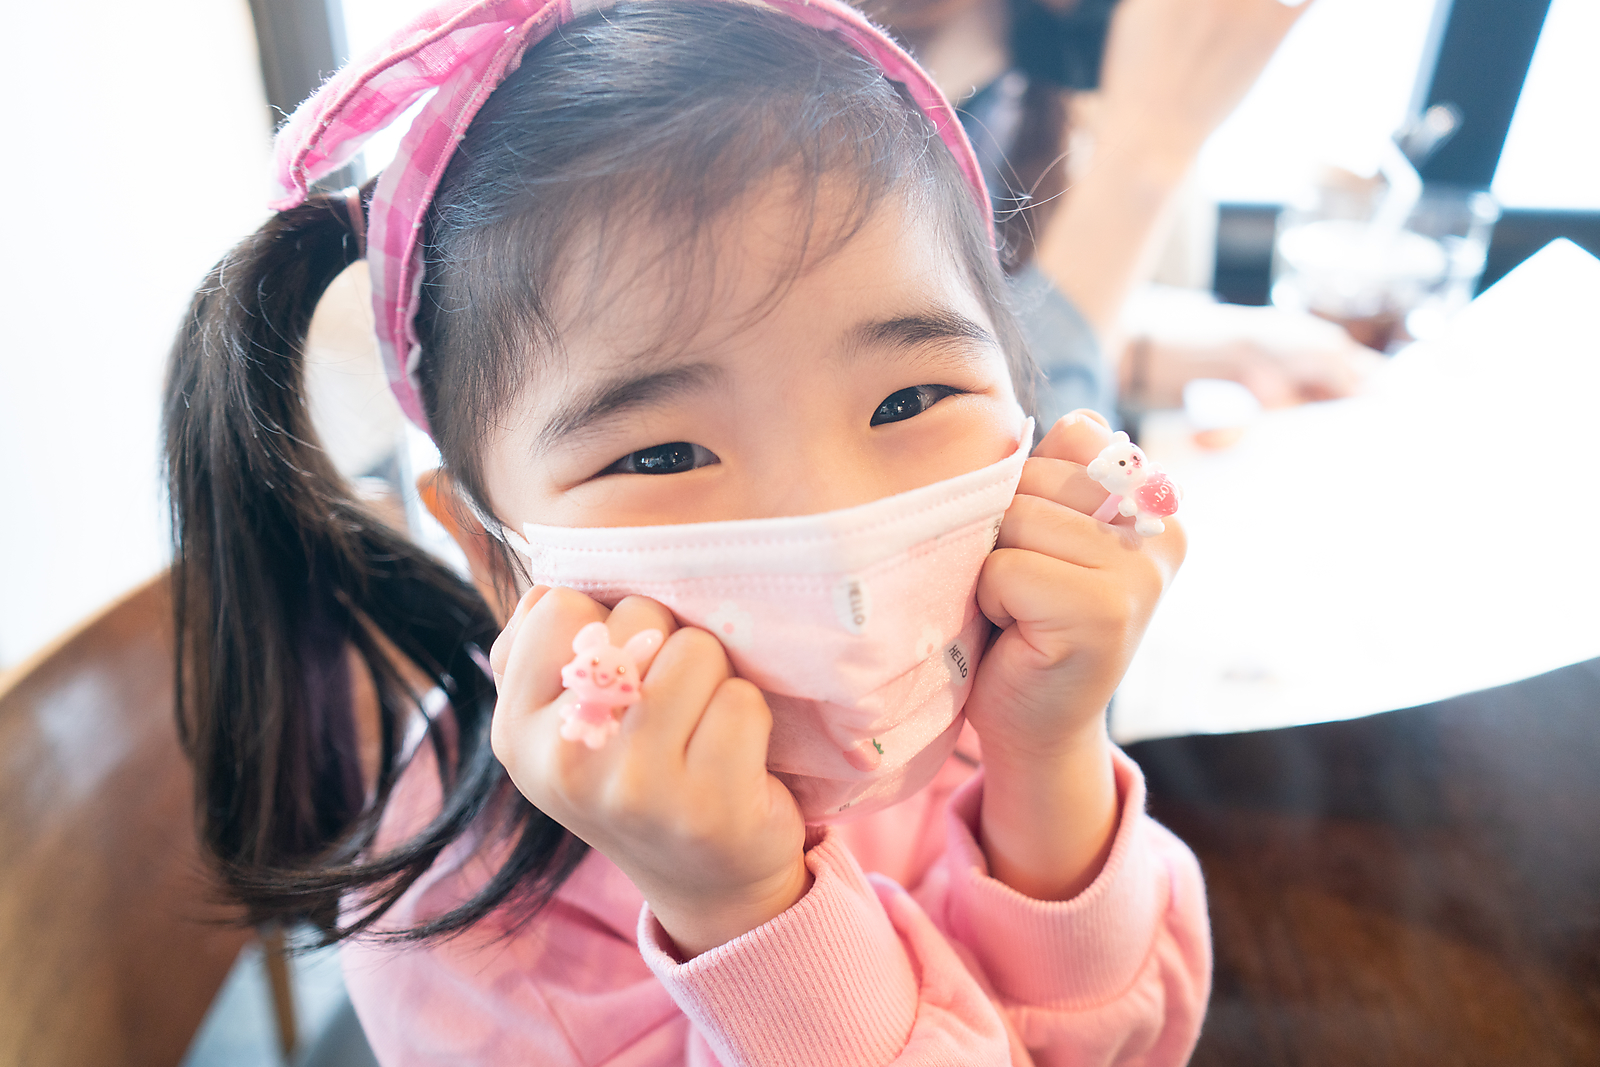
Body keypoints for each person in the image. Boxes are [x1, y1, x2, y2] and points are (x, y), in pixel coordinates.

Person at [163, 0, 1207, 1063]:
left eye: (908, 400)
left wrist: (1047, 752)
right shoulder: (466, 928)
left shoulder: (973, 676)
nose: (828, 519)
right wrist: (743, 911)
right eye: (662, 455)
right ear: (494, 553)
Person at [864, 0, 1379, 424]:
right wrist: (1150, 151)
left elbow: (961, 331)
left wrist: (1183, 352)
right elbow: (1004, 479)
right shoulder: (833, 113)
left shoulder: (1004, 93)